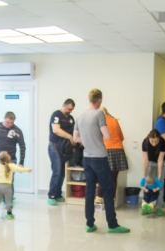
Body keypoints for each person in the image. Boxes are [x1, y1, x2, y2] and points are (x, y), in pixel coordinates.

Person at [74, 89, 130, 234]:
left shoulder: (79, 116)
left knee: (89, 191)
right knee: (108, 189)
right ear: (99, 100)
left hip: (87, 158)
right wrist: (98, 136)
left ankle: (89, 224)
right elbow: (108, 136)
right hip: (100, 157)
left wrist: (87, 140)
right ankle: (112, 225)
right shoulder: (99, 114)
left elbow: (75, 138)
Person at [95, 107, 128, 204]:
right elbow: (121, 137)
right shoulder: (114, 120)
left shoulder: (100, 121)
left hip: (106, 150)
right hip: (118, 150)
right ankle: (111, 199)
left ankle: (99, 197)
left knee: (103, 175)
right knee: (113, 177)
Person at [48, 99, 75, 206]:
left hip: (65, 148)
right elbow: (56, 130)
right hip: (54, 147)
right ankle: (51, 195)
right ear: (64, 105)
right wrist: (70, 137)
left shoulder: (71, 119)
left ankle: (58, 194)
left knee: (62, 172)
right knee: (57, 171)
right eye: (68, 109)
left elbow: (74, 131)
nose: (70, 111)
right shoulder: (56, 115)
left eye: (72, 109)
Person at [0, 151, 32, 220]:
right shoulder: (11, 165)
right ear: (8, 158)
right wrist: (27, 170)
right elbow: (19, 169)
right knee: (8, 201)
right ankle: (9, 214)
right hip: (8, 187)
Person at [142, 129, 165, 215]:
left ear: (159, 138)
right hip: (150, 162)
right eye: (152, 141)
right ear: (149, 138)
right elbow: (145, 160)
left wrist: (159, 174)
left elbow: (160, 159)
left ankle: (158, 207)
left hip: (161, 162)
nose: (154, 144)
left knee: (160, 184)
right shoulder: (145, 142)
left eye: (156, 141)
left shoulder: (163, 142)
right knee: (146, 183)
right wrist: (144, 175)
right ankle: (146, 206)